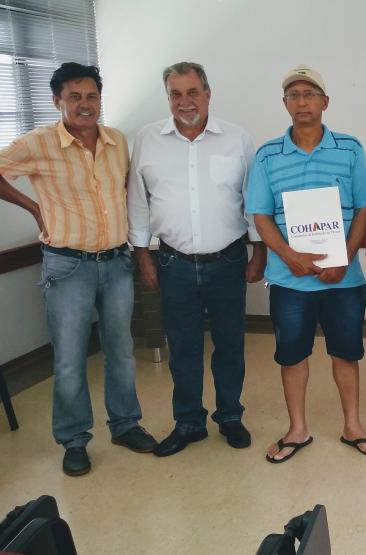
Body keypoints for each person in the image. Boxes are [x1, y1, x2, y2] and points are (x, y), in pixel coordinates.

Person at [0, 63, 157, 476]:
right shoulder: (39, 143)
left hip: (116, 262)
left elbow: (129, 191)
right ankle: (74, 440)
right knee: (69, 358)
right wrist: (33, 207)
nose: (85, 104)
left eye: (91, 96)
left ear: (100, 99)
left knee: (121, 351)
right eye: (74, 97)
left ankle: (125, 425)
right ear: (57, 101)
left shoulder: (117, 141)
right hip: (67, 266)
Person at [246, 65, 366, 463]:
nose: (302, 101)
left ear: (325, 102)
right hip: (289, 279)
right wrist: (289, 256)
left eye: (309, 94)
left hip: (343, 279)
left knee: (346, 353)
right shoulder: (267, 155)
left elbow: (365, 207)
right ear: (285, 103)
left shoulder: (350, 149)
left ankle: (353, 426)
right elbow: (260, 215)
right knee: (292, 355)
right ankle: (298, 429)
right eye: (294, 95)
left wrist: (344, 258)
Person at [127, 62, 267, 457]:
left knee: (230, 344)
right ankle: (189, 423)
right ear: (168, 98)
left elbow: (254, 200)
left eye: (192, 92)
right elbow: (138, 202)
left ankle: (230, 416)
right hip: (173, 264)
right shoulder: (148, 140)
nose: (184, 101)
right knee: (183, 349)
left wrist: (260, 251)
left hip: (228, 260)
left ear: (207, 93)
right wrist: (143, 256)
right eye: (175, 94)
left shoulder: (237, 138)